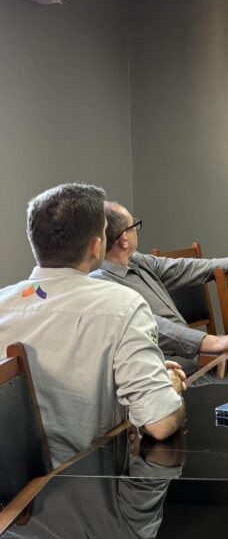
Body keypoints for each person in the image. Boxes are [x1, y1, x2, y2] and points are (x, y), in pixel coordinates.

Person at [0, 184, 184, 467]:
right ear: (97, 246)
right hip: (91, 482)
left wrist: (147, 372)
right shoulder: (123, 306)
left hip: (15, 492)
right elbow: (160, 424)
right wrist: (169, 384)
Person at [92, 202, 228, 364]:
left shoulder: (135, 260)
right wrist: (217, 342)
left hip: (188, 357)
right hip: (161, 365)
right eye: (134, 226)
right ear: (124, 239)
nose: (137, 230)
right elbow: (153, 326)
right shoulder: (103, 283)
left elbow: (181, 268)